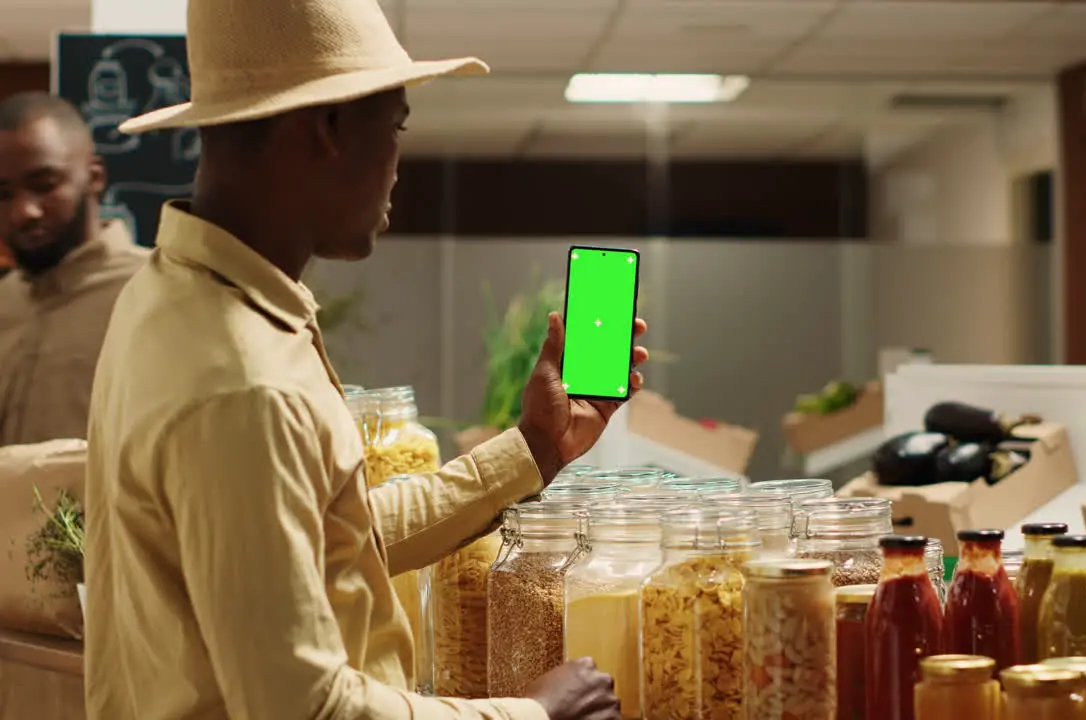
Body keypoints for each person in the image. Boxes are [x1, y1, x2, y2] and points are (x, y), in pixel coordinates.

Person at [82, 0, 648, 718]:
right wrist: (531, 713)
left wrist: (535, 448)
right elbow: (304, 706)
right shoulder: (245, 383)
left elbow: (339, 537)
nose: (399, 164)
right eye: (396, 127)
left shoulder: (166, 297)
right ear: (329, 128)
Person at [0, 92, 148, 445]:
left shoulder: (155, 291)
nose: (24, 212)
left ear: (94, 176)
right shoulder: (4, 301)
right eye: (2, 194)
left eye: (44, 186)